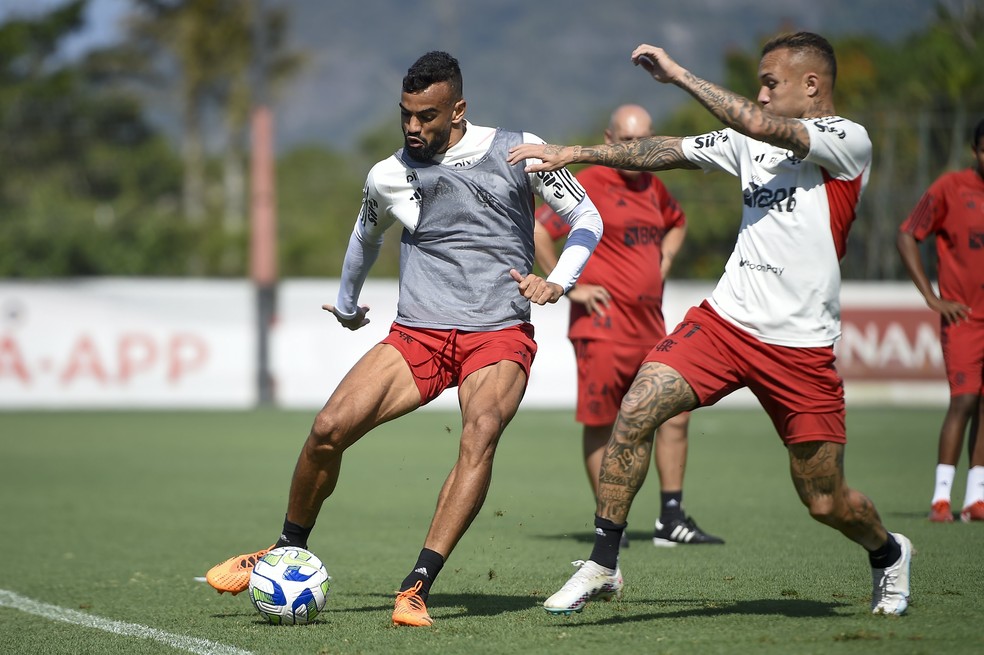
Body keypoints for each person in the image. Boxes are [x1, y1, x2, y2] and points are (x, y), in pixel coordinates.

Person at [507, 32, 913, 616]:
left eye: (771, 82)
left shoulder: (846, 140)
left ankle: (888, 552)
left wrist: (679, 76)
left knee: (825, 502)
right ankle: (602, 565)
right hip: (725, 324)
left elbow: (769, 128)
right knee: (638, 406)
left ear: (812, 86)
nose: (762, 94)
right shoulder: (749, 141)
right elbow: (662, 151)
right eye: (761, 84)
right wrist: (575, 154)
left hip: (799, 345)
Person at [205, 51, 603, 627]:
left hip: (497, 332)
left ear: (458, 109)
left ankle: (416, 585)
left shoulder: (521, 150)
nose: (414, 127)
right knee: (326, 429)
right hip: (419, 332)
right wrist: (346, 305)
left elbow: (587, 216)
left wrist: (558, 282)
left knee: (481, 431)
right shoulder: (388, 174)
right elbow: (364, 238)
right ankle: (287, 546)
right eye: (406, 115)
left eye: (427, 116)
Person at [534, 103, 722, 547]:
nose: (636, 150)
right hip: (601, 327)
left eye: (644, 139)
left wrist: (667, 257)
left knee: (675, 410)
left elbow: (678, 223)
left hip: (649, 326)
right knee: (602, 422)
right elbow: (541, 231)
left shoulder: (654, 187)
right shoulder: (590, 182)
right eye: (627, 141)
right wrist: (569, 286)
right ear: (608, 139)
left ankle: (671, 519)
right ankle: (609, 527)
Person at [897, 117, 984, 524]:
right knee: (964, 401)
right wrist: (932, 297)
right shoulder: (950, 188)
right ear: (975, 150)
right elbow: (908, 234)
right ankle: (941, 499)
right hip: (965, 318)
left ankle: (976, 499)